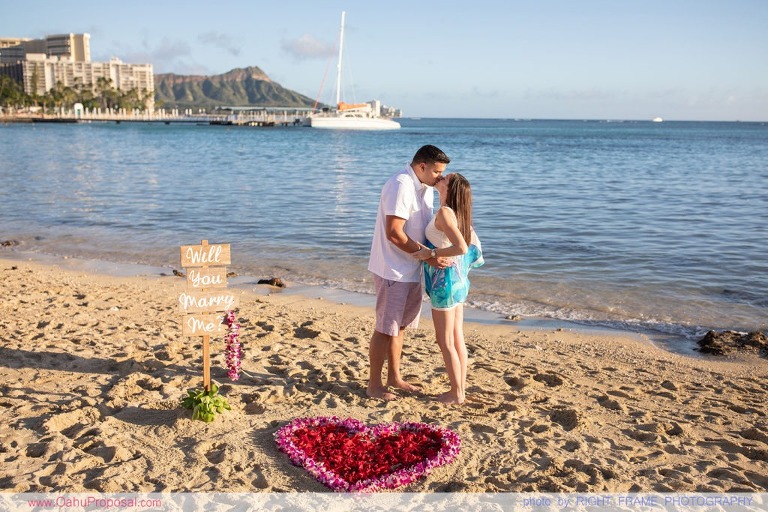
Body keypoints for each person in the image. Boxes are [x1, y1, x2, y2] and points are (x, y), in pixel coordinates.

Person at [367, 145, 451, 400]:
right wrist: (427, 255)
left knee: (400, 327)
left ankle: (394, 377)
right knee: (385, 328)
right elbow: (394, 233)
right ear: (421, 166)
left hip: (412, 267)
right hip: (393, 269)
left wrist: (444, 192)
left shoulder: (425, 188)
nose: (440, 177)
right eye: (437, 172)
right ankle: (374, 385)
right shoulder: (401, 184)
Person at [412, 173, 483, 404]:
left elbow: (461, 248)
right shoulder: (460, 215)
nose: (440, 177)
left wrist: (431, 254)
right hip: (458, 280)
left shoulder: (444, 213)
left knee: (445, 341)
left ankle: (456, 393)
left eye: (446, 178)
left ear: (450, 189)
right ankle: (460, 388)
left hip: (444, 281)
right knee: (456, 337)